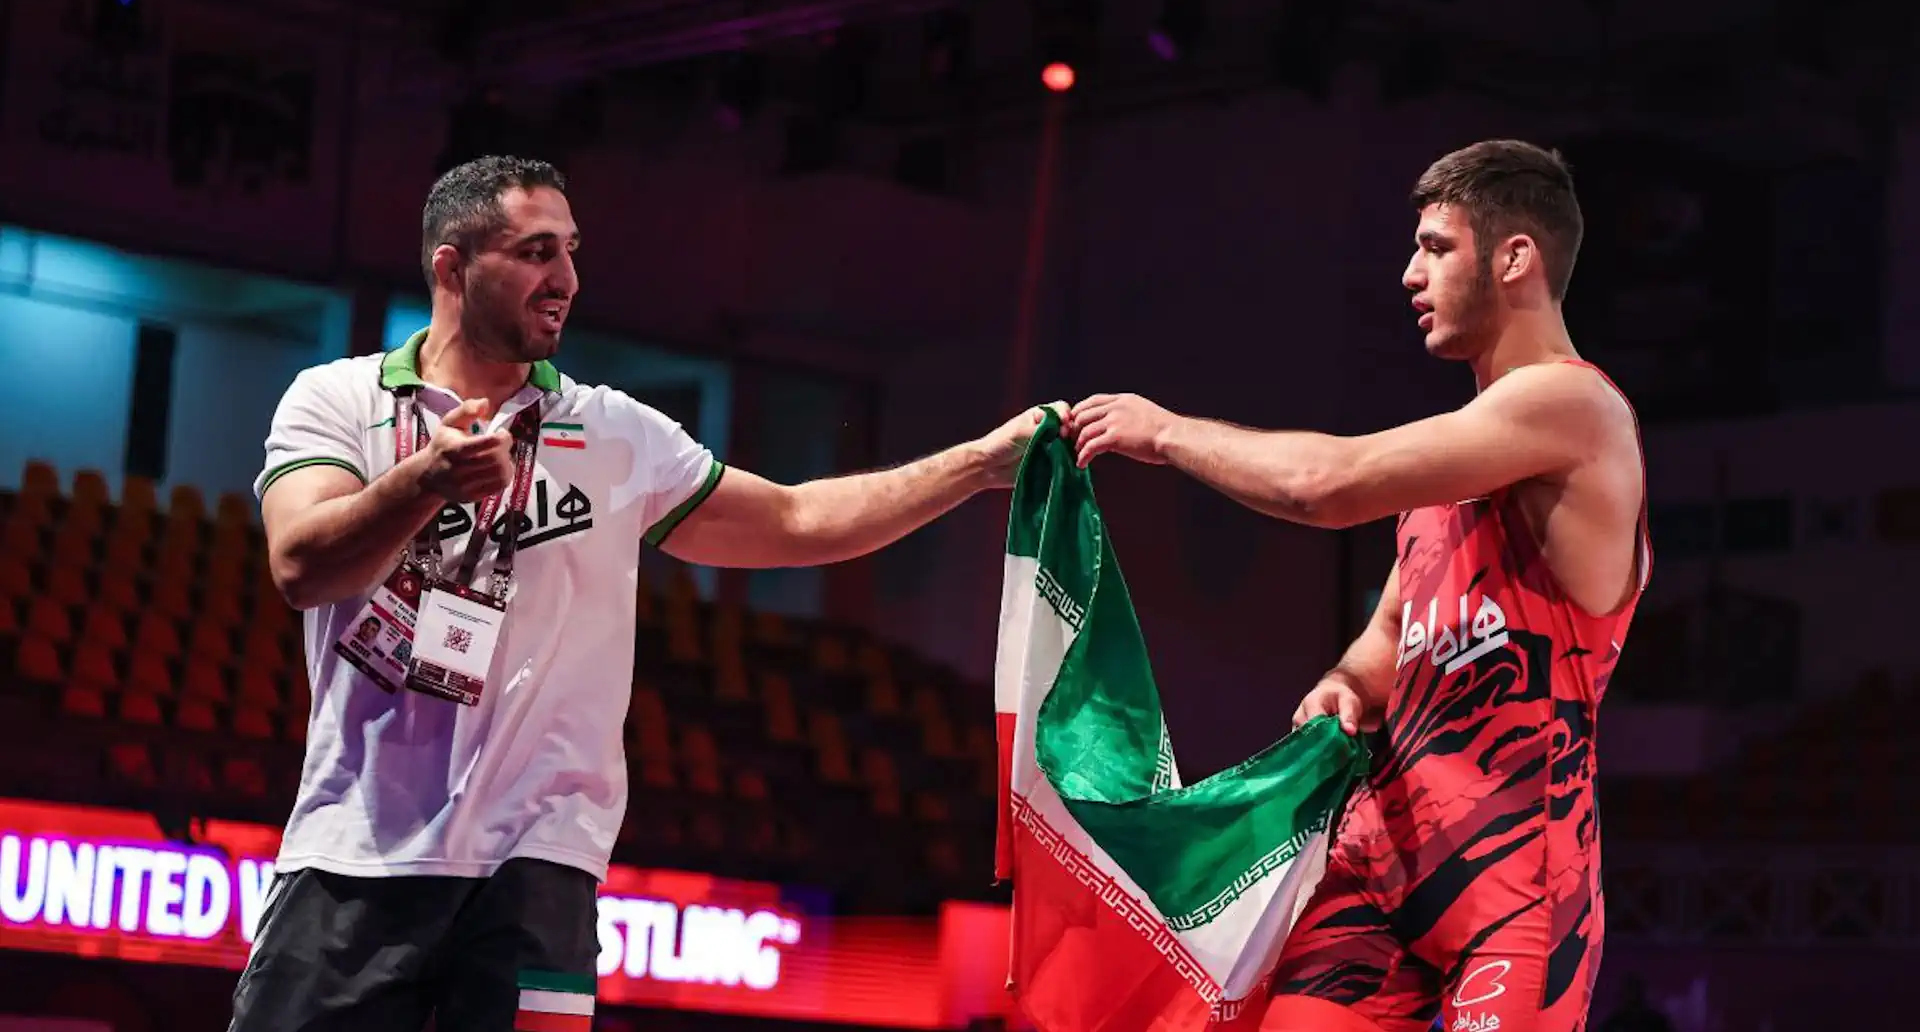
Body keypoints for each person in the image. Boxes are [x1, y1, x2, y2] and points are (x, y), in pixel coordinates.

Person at [231, 154, 1057, 1031]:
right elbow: (300, 565)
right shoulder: (337, 399)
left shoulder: (616, 432)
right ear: (452, 265)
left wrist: (975, 467)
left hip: (539, 870)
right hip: (353, 858)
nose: (568, 280)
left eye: (573, 252)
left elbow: (800, 520)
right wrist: (426, 479)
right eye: (537, 252)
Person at [1065, 139, 1649, 1032]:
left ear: (1516, 257)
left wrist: (1167, 433)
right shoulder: (1452, 470)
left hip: (1514, 885)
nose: (1410, 275)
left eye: (1435, 247)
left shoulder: (1574, 408)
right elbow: (1386, 642)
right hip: (1380, 862)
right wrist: (1344, 685)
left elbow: (1327, 486)